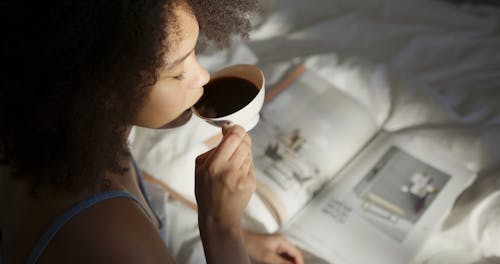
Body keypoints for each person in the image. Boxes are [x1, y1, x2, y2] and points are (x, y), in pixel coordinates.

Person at [1, 0, 304, 263]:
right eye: (176, 72)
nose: (203, 76)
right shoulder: (107, 234)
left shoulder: (64, 135)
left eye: (195, 54)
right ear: (102, 88)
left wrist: (245, 239)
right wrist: (222, 229)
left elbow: (143, 191)